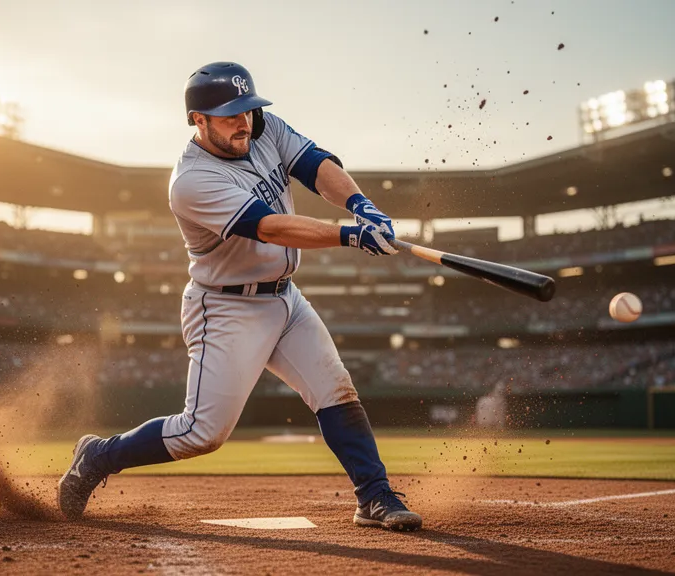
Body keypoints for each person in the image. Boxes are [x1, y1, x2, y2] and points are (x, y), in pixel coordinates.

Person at [58, 62, 422, 531]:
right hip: (227, 308)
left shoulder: (264, 127)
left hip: (285, 299)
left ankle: (375, 496)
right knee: (201, 433)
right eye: (229, 115)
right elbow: (269, 228)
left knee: (336, 388)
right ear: (198, 120)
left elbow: (317, 166)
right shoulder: (190, 181)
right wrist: (352, 236)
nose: (243, 122)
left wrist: (362, 205)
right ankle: (99, 455)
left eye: (246, 110)